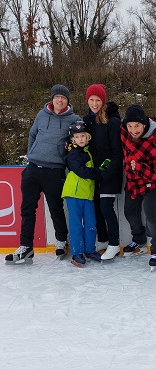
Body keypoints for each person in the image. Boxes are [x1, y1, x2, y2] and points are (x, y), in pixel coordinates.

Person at [5, 85, 81, 264]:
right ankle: (26, 247)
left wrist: (63, 158)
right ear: (52, 99)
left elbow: (77, 143)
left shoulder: (74, 119)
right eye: (57, 97)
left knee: (56, 208)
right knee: (27, 209)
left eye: (63, 98)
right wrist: (32, 153)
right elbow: (32, 135)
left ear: (68, 101)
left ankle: (61, 241)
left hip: (54, 171)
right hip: (33, 168)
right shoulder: (41, 115)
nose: (60, 100)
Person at [121, 104, 156, 270]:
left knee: (150, 211)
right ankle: (139, 238)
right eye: (130, 126)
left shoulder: (155, 143)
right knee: (129, 211)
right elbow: (117, 124)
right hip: (133, 182)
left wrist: (140, 167)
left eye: (137, 126)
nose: (133, 130)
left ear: (145, 125)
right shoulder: (125, 132)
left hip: (151, 184)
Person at [83, 85, 123, 261]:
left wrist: (107, 172)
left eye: (98, 100)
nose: (94, 103)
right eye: (91, 100)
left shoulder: (112, 122)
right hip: (94, 173)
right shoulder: (87, 121)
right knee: (97, 208)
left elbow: (117, 152)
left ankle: (114, 244)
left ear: (103, 102)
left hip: (109, 172)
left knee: (107, 207)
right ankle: (103, 239)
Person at [62, 121, 104, 267]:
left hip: (87, 193)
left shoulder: (87, 151)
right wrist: (99, 172)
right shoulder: (73, 153)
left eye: (83, 136)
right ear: (72, 139)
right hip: (74, 193)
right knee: (76, 224)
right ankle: (76, 252)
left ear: (87, 137)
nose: (80, 139)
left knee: (91, 223)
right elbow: (82, 172)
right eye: (77, 137)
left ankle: (90, 250)